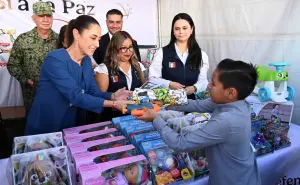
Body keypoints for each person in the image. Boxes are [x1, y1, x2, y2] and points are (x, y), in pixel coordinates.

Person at [137, 59, 262, 185]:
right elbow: (196, 104)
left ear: (230, 92)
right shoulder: (238, 103)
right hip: (242, 173)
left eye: (213, 83)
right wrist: (165, 102)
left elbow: (180, 143)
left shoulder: (226, 121)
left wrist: (155, 118)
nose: (208, 85)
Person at [25, 15, 134, 135]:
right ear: (76, 35)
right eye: (93, 38)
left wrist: (113, 96)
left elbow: (93, 91)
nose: (97, 44)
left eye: (98, 39)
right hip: (48, 124)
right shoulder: (55, 59)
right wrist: (114, 104)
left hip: (73, 124)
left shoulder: (86, 61)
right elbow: (75, 95)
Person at [7, 1, 58, 110]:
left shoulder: (60, 40)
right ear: (33, 18)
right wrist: (26, 80)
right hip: (32, 95)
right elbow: (12, 65)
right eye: (41, 16)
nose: (45, 19)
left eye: (48, 15)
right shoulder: (23, 39)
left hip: (56, 93)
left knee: (56, 124)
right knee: (33, 123)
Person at [149, 13, 209, 99]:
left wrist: (194, 88)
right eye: (177, 29)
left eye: (185, 28)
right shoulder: (161, 53)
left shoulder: (201, 55)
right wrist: (169, 84)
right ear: (173, 31)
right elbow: (152, 79)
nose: (181, 32)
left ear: (191, 29)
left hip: (191, 102)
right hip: (167, 102)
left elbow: (203, 81)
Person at [94, 31, 146, 121]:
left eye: (130, 47)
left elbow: (144, 90)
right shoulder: (104, 69)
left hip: (137, 118)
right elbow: (99, 97)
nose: (128, 51)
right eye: (123, 48)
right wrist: (114, 98)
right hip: (112, 119)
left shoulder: (138, 66)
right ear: (114, 48)